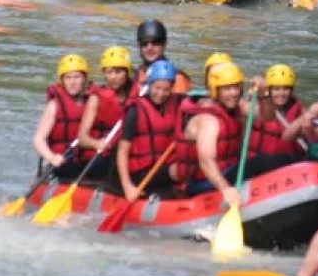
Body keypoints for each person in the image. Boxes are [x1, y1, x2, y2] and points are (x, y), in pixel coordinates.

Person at [171, 61, 246, 198]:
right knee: (259, 164)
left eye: (236, 87)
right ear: (216, 91)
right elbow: (206, 161)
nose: (234, 93)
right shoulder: (208, 120)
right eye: (227, 89)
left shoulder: (234, 108)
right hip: (202, 183)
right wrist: (225, 189)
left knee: (270, 161)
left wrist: (263, 93)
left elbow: (265, 115)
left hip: (226, 170)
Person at [117, 59, 181, 203]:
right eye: (157, 88)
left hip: (162, 168)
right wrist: (127, 187)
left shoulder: (176, 103)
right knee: (181, 170)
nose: (161, 93)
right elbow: (122, 152)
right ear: (150, 85)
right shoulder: (135, 111)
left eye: (166, 89)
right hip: (141, 174)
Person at [77, 46, 134, 181]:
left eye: (118, 72)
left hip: (126, 154)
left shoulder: (137, 95)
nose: (113, 77)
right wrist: (96, 143)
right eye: (109, 72)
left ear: (127, 73)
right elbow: (82, 138)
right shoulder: (96, 98)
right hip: (99, 157)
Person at [32, 54, 91, 180]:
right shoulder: (54, 106)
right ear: (62, 81)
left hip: (85, 161)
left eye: (77, 77)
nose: (72, 82)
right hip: (61, 162)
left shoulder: (92, 103)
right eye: (68, 78)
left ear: (84, 79)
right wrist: (52, 157)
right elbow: (38, 139)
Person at [246, 64, 305, 165]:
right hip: (258, 162)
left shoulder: (298, 109)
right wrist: (252, 92)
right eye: (276, 89)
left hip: (287, 163)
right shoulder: (256, 106)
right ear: (269, 90)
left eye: (285, 89)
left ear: (291, 91)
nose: (281, 93)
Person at [132, 19, 191, 96]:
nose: (150, 47)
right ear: (139, 46)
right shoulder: (134, 76)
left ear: (165, 44)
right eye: (144, 43)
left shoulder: (177, 79)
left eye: (155, 42)